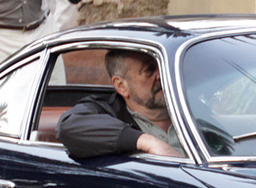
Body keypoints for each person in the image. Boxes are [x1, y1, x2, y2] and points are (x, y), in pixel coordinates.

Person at [56, 49, 184, 159]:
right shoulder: (109, 111)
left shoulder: (190, 105)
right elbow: (68, 126)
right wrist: (145, 141)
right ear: (121, 85)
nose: (161, 75)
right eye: (149, 70)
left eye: (162, 67)